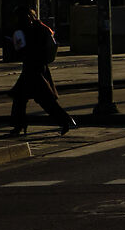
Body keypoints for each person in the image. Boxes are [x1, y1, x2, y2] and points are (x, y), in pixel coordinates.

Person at [5, 8, 77, 137]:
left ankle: (65, 120)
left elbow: (21, 50)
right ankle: (20, 125)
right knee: (26, 98)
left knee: (34, 99)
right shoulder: (40, 28)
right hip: (38, 68)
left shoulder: (24, 30)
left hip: (32, 70)